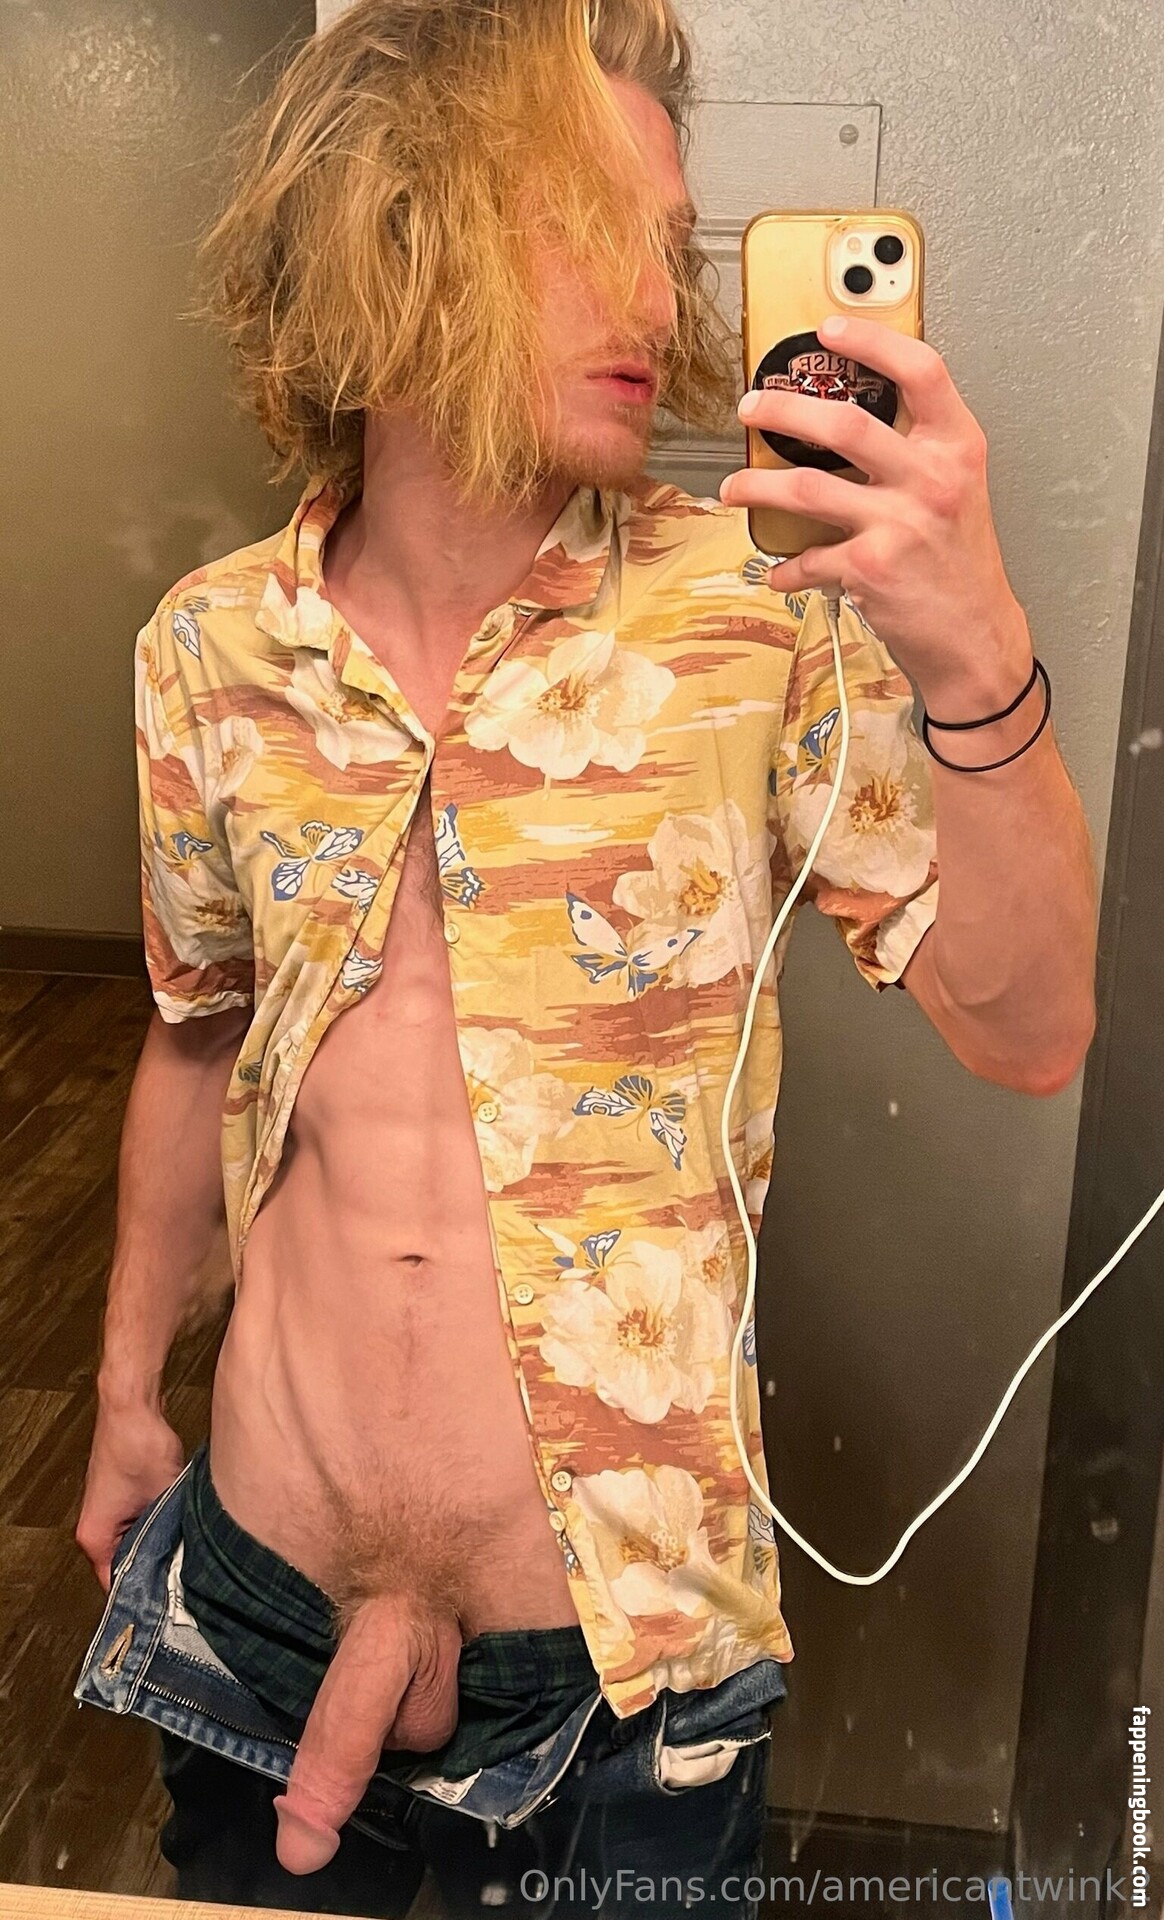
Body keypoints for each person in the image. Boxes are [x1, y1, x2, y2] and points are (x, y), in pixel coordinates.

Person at [73, 0, 1097, 1913]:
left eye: (669, 237)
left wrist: (975, 649)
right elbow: (198, 1033)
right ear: (392, 234)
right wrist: (129, 1391)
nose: (658, 291)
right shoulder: (212, 651)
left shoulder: (762, 622)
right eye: (585, 223)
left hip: (626, 1674)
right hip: (256, 1609)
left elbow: (1033, 1028)